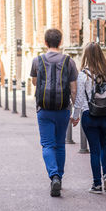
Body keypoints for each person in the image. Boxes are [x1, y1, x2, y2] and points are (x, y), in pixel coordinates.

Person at [30, 29, 78, 197]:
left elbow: (35, 82)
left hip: (44, 109)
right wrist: (76, 112)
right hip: (62, 109)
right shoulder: (69, 61)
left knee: (47, 144)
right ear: (60, 41)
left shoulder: (37, 60)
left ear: (45, 42)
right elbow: (74, 90)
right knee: (59, 144)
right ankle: (60, 178)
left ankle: (54, 176)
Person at [72, 42, 106, 194]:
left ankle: (97, 184)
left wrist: (75, 117)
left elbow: (79, 99)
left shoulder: (83, 75)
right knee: (104, 146)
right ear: (101, 53)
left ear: (86, 55)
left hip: (90, 115)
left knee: (94, 150)